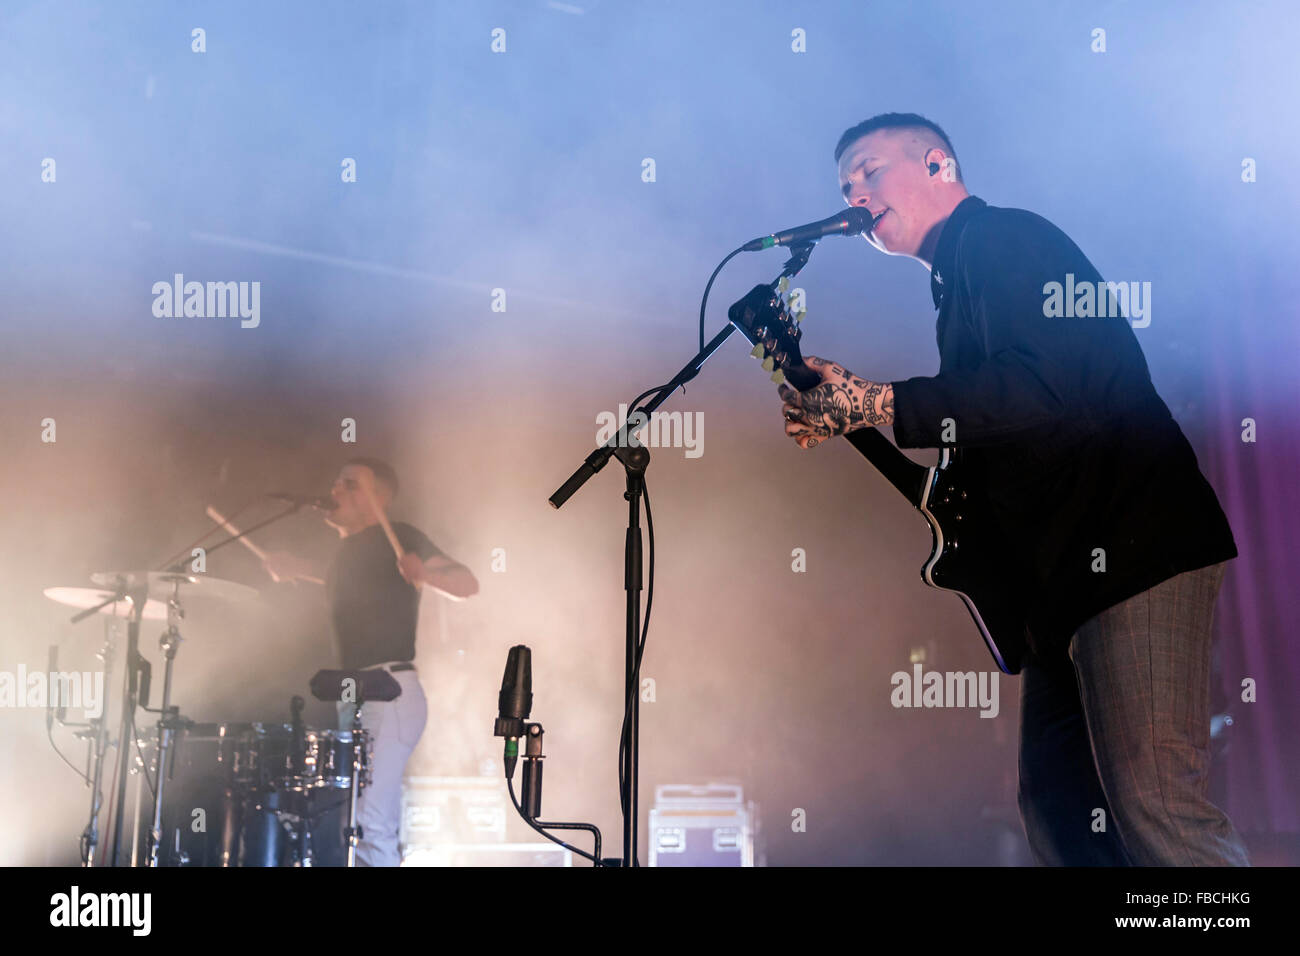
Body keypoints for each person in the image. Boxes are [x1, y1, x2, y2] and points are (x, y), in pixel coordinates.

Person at [777, 112, 1249, 866]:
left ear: (938, 163)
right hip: (1060, 586)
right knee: (1062, 818)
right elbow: (999, 432)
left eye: (869, 171)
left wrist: (876, 402)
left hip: (1132, 550)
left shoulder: (1005, 239)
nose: (855, 196)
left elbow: (1044, 387)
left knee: (1157, 806)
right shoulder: (955, 285)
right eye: (844, 188)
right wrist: (856, 409)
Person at [263, 457, 478, 865]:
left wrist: (426, 574)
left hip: (388, 692)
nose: (335, 491)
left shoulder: (400, 536)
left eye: (350, 484)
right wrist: (297, 568)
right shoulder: (346, 553)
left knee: (369, 822)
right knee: (354, 820)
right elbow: (347, 580)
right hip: (356, 695)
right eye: (336, 483)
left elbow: (467, 583)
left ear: (380, 497)